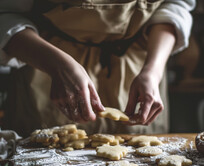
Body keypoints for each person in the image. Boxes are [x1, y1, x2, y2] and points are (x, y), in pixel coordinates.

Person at [0, 0, 195, 137]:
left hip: (138, 66)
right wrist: (57, 65)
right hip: (45, 63)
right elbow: (5, 14)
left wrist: (153, 71)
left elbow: (174, 6)